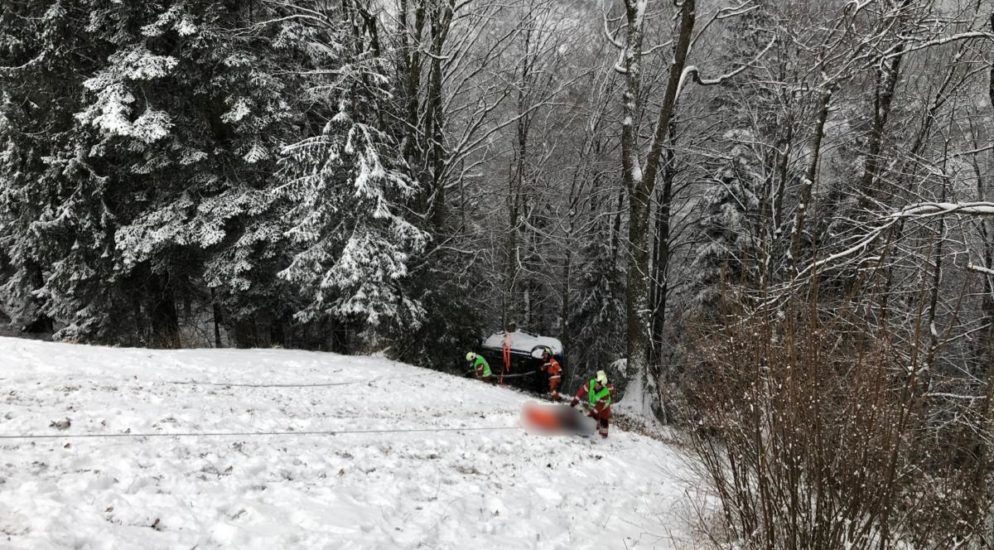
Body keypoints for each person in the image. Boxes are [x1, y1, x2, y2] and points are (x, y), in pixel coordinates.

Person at [571, 370, 614, 438]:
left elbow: (599, 407)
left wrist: (590, 414)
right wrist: (574, 401)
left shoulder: (605, 393)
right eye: (598, 383)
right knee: (594, 418)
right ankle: (593, 429)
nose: (598, 386)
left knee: (603, 420)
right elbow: (581, 392)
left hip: (604, 407)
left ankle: (604, 436)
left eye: (600, 385)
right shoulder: (590, 384)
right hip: (594, 405)